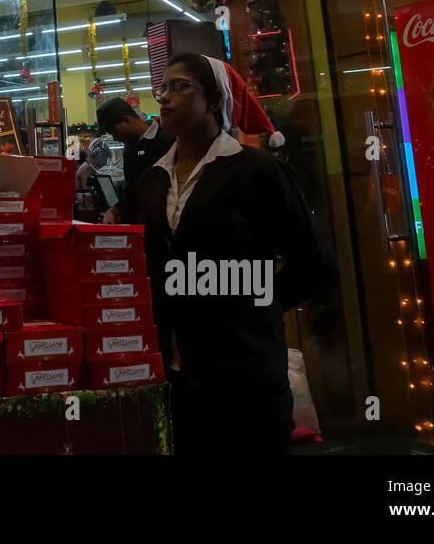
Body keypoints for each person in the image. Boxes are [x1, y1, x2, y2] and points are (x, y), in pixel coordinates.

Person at [132, 52, 334, 455]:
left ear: (212, 100)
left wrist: (257, 304)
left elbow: (315, 260)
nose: (165, 98)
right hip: (175, 374)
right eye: (162, 88)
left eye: (179, 86)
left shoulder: (257, 171)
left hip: (246, 372)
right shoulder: (151, 180)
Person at [96, 97, 174, 223]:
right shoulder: (129, 147)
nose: (115, 138)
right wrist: (115, 209)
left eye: (114, 132)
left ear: (126, 120)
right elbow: (132, 187)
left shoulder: (167, 141)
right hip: (134, 229)